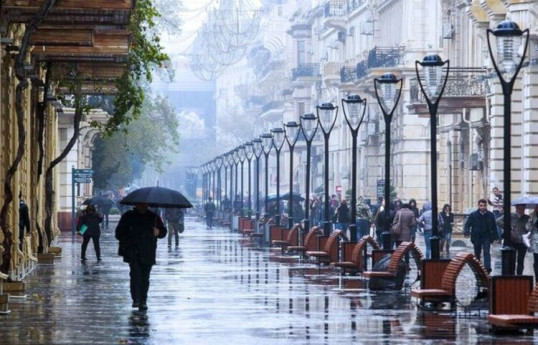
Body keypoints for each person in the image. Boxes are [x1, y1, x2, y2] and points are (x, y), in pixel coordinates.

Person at [115, 203, 167, 311]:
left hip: (148, 251)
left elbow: (163, 232)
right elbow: (118, 233)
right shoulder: (128, 216)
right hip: (133, 251)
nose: (142, 206)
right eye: (140, 204)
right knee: (135, 275)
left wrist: (158, 232)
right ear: (136, 205)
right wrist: (128, 235)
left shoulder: (154, 217)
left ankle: (143, 300)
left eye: (144, 205)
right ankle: (136, 299)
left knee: (145, 278)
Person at [463, 199, 497, 273]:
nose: (483, 207)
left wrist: (495, 236)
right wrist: (466, 232)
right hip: (476, 236)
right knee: (477, 253)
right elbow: (468, 224)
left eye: (484, 205)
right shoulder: (473, 214)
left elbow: (494, 226)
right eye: (481, 205)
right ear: (478, 206)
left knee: (486, 252)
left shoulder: (490, 215)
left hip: (487, 236)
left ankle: (487, 268)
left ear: (486, 206)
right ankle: (478, 267)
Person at [496, 203, 530, 275]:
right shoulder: (510, 215)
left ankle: (519, 275)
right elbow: (498, 221)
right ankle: (512, 275)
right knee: (512, 259)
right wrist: (508, 227)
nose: (522, 211)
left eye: (523, 209)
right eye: (520, 209)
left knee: (521, 260)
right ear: (517, 208)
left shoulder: (527, 217)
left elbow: (529, 228)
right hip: (512, 240)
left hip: (522, 241)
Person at [526, 205, 538, 283]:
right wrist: (531, 222)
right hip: (535, 241)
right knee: (536, 261)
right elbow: (528, 228)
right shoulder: (532, 216)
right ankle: (537, 278)